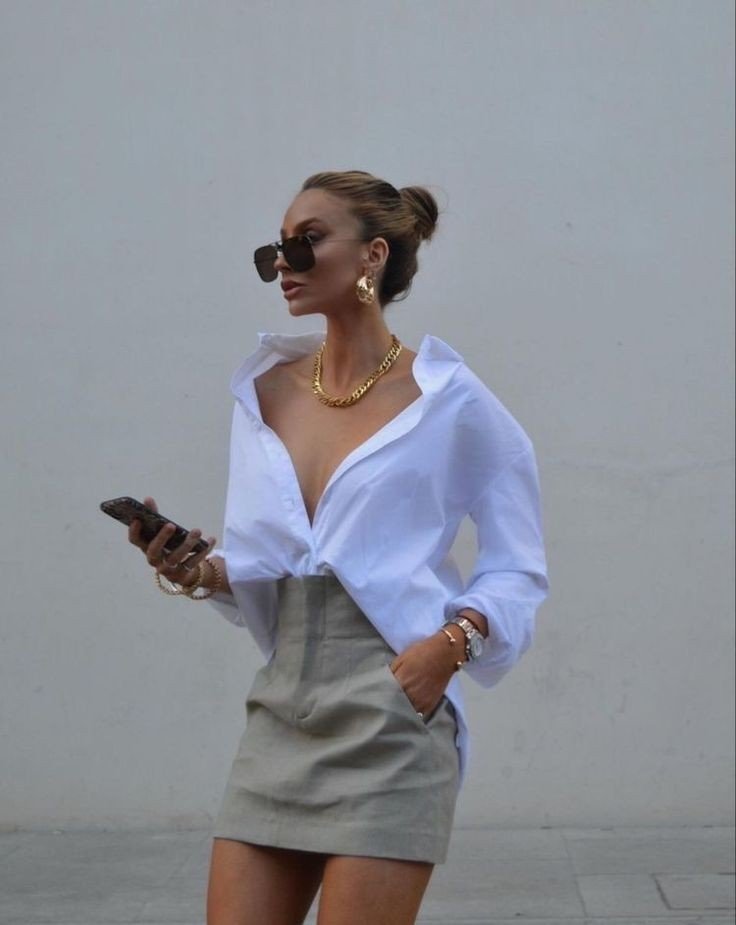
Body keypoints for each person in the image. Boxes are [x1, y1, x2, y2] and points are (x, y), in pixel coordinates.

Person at [127, 170, 550, 925]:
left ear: (372, 255)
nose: (282, 262)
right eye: (276, 247)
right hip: (280, 709)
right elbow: (273, 567)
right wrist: (198, 569)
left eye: (307, 240)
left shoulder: (449, 399)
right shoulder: (263, 393)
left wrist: (450, 645)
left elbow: (518, 565)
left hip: (392, 714)